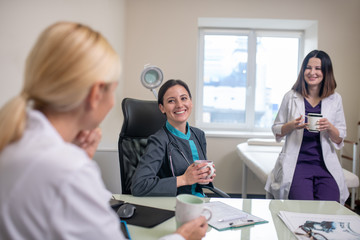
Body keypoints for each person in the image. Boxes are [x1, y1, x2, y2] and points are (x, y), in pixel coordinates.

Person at [0, 22, 207, 240]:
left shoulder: (16, 140)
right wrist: (182, 236)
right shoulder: (69, 170)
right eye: (113, 90)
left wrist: (79, 157)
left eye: (184, 99)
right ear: (96, 93)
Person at [265, 50, 349, 205]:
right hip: (298, 164)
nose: (312, 72)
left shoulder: (335, 99)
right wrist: (291, 125)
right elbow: (276, 129)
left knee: (331, 207)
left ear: (326, 72)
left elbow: (340, 138)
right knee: (303, 208)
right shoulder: (291, 96)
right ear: (303, 70)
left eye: (318, 68)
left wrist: (329, 127)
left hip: (325, 165)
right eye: (308, 68)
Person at [131, 79, 216, 197]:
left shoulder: (199, 135)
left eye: (184, 98)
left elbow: (198, 184)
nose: (180, 105)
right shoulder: (159, 141)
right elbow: (139, 186)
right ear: (162, 108)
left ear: (191, 102)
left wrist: (204, 175)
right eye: (171, 101)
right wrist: (184, 179)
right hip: (174, 205)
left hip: (200, 203)